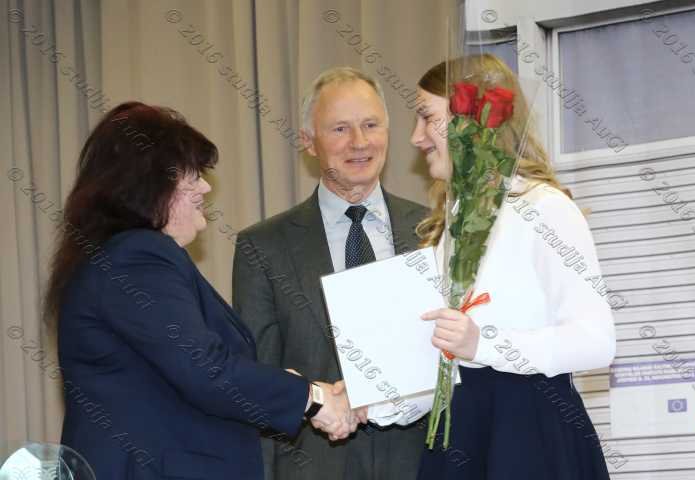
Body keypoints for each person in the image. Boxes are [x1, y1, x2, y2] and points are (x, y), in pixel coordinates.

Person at [44, 102, 358, 480]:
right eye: (191, 174)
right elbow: (205, 369)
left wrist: (290, 385)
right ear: (148, 181)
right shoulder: (136, 257)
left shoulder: (121, 256)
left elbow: (177, 374)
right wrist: (311, 399)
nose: (205, 187)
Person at [375, 54, 617, 479]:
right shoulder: (447, 227)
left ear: (474, 119)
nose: (415, 137)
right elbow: (444, 363)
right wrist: (372, 399)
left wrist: (483, 344)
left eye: (427, 117)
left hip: (531, 435)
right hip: (461, 434)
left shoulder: (544, 208)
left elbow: (596, 341)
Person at [232, 67, 428, 480]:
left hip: (425, 464)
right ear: (308, 140)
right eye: (340, 128)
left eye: (371, 125)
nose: (359, 142)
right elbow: (261, 383)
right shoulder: (262, 247)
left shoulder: (433, 230)